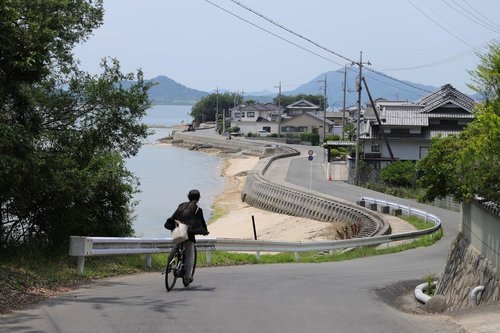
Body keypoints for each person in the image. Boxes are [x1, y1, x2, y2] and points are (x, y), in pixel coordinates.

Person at [164, 189, 209, 284]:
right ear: (198, 198)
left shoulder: (181, 205)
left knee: (177, 246)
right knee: (189, 255)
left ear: (188, 196)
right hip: (188, 235)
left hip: (178, 231)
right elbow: (202, 223)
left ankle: (171, 262)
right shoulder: (197, 210)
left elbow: (173, 217)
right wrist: (205, 231)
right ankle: (188, 276)